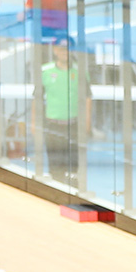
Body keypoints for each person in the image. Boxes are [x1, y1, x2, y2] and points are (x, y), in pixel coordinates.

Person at [37, 40, 86, 186]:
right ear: (55, 51)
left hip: (74, 125)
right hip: (53, 125)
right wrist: (35, 123)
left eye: (68, 49)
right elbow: (37, 98)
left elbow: (87, 98)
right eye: (62, 49)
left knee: (73, 166)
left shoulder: (79, 72)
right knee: (55, 165)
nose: (65, 52)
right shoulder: (45, 71)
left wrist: (86, 124)